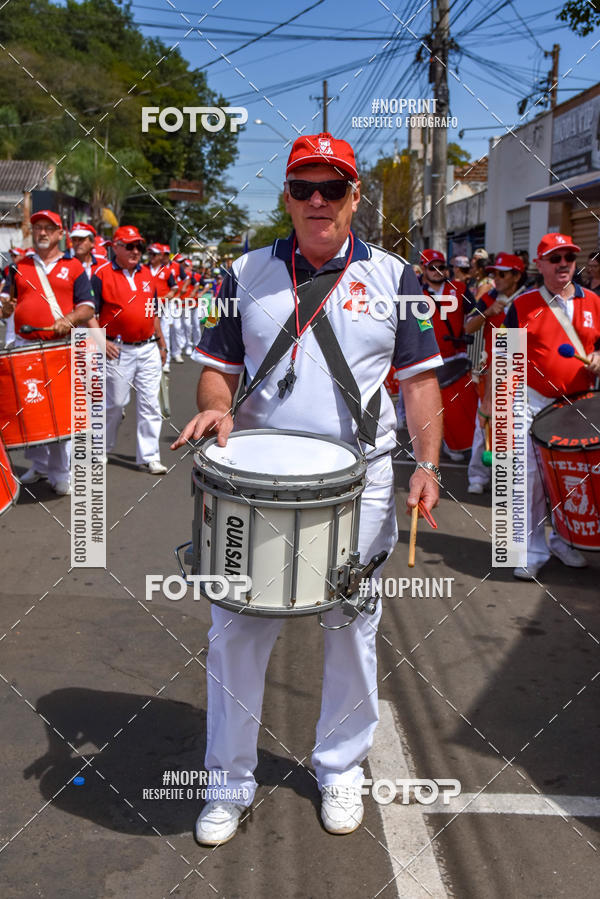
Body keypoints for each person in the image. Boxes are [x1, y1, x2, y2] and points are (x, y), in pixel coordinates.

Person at [172, 132, 444, 846]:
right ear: (287, 198)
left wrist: (427, 464)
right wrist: (216, 404)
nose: (318, 201)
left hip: (362, 485)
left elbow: (420, 384)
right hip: (258, 489)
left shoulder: (401, 279)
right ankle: (227, 781)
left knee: (350, 628)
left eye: (333, 187)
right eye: (303, 188)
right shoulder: (240, 274)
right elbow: (215, 366)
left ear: (356, 196)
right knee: (235, 630)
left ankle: (340, 766)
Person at [504, 233, 600, 580]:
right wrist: (498, 409)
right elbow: (506, 357)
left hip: (578, 409)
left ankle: (565, 541)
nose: (563, 264)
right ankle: (531, 549)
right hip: (532, 403)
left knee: (570, 481)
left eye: (569, 258)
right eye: (555, 258)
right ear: (539, 263)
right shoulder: (521, 305)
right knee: (528, 479)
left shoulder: (594, 303)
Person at [0, 210, 95, 493]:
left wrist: (69, 319)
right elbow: (7, 297)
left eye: (48, 228)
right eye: (37, 227)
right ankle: (38, 466)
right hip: (24, 348)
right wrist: (4, 307)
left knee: (60, 412)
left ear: (58, 233)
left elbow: (88, 307)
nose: (42, 232)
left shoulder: (74, 266)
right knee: (32, 409)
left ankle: (60, 470)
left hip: (59, 348)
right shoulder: (19, 265)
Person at [91, 225, 168, 475]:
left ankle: (149, 456)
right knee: (114, 403)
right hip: (117, 349)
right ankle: (101, 447)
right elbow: (87, 313)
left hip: (147, 349)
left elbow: (153, 312)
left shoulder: (147, 274)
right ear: (116, 247)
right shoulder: (101, 274)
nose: (136, 251)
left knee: (150, 404)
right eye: (130, 246)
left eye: (139, 246)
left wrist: (161, 342)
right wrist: (102, 342)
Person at [464, 252, 526, 493]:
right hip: (493, 370)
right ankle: (477, 476)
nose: (495, 278)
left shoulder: (530, 299)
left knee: (516, 427)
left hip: (523, 373)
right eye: (493, 273)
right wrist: (486, 313)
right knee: (485, 422)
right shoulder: (488, 297)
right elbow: (468, 326)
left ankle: (512, 478)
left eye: (502, 274)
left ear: (516, 276)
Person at [420, 248, 476, 461]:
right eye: (431, 267)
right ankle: (433, 444)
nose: (437, 271)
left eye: (441, 267)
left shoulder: (460, 289)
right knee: (429, 407)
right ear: (424, 269)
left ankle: (457, 443)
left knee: (457, 406)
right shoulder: (416, 292)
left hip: (456, 357)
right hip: (428, 359)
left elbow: (476, 314)